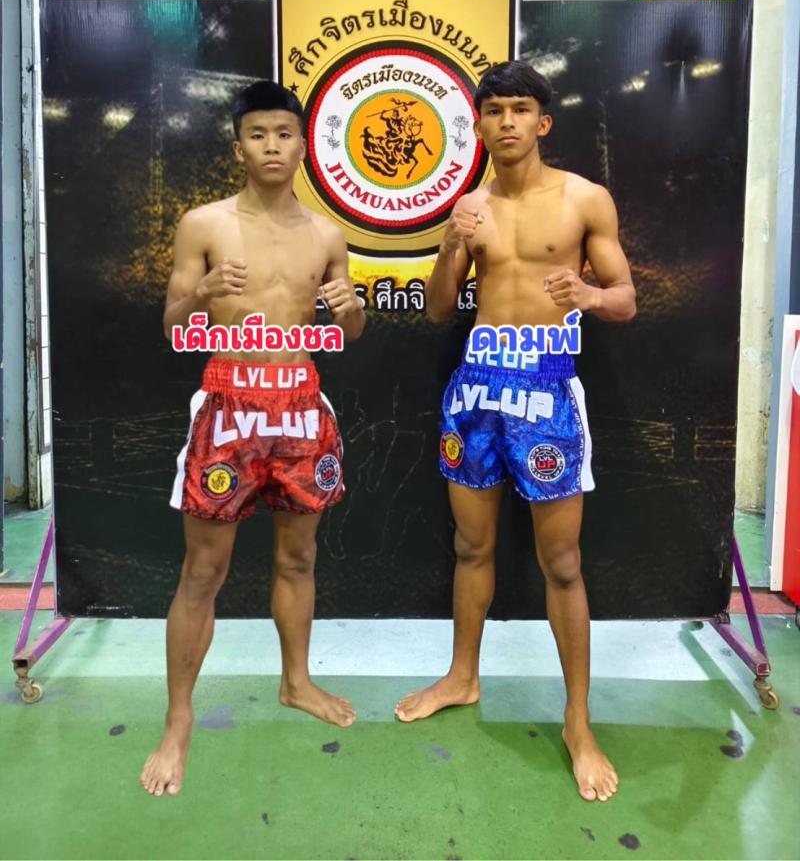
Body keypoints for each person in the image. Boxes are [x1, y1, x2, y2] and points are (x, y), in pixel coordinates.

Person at [395, 60, 636, 804]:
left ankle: (577, 721)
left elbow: (626, 299)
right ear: (479, 123)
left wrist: (588, 294)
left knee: (561, 560)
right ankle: (463, 676)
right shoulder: (470, 208)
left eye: (520, 109)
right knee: (471, 547)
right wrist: (448, 245)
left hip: (547, 390)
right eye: (494, 109)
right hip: (477, 390)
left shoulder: (584, 199)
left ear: (543, 121)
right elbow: (439, 309)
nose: (506, 121)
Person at [141, 80, 365, 798]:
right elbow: (173, 326)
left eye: (284, 134)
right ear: (238, 146)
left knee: (298, 557)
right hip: (229, 405)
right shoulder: (203, 224)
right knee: (202, 571)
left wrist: (350, 308)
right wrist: (202, 296)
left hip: (299, 404)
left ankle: (296, 681)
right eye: (258, 134)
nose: (272, 146)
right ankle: (178, 719)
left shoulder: (327, 234)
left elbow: (348, 332)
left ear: (304, 145)